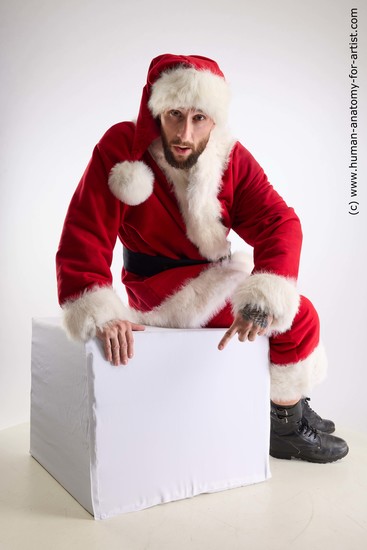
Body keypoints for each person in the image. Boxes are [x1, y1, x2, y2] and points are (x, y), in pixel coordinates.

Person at [56, 53, 348, 463]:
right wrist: (100, 312)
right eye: (175, 114)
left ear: (215, 120)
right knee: (301, 319)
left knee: (283, 307)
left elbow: (278, 221)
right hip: (160, 290)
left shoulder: (231, 157)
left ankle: (290, 402)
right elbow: (83, 233)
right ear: (157, 109)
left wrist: (263, 298)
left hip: (215, 273)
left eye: (199, 119)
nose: (184, 133)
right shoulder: (122, 148)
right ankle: (284, 423)